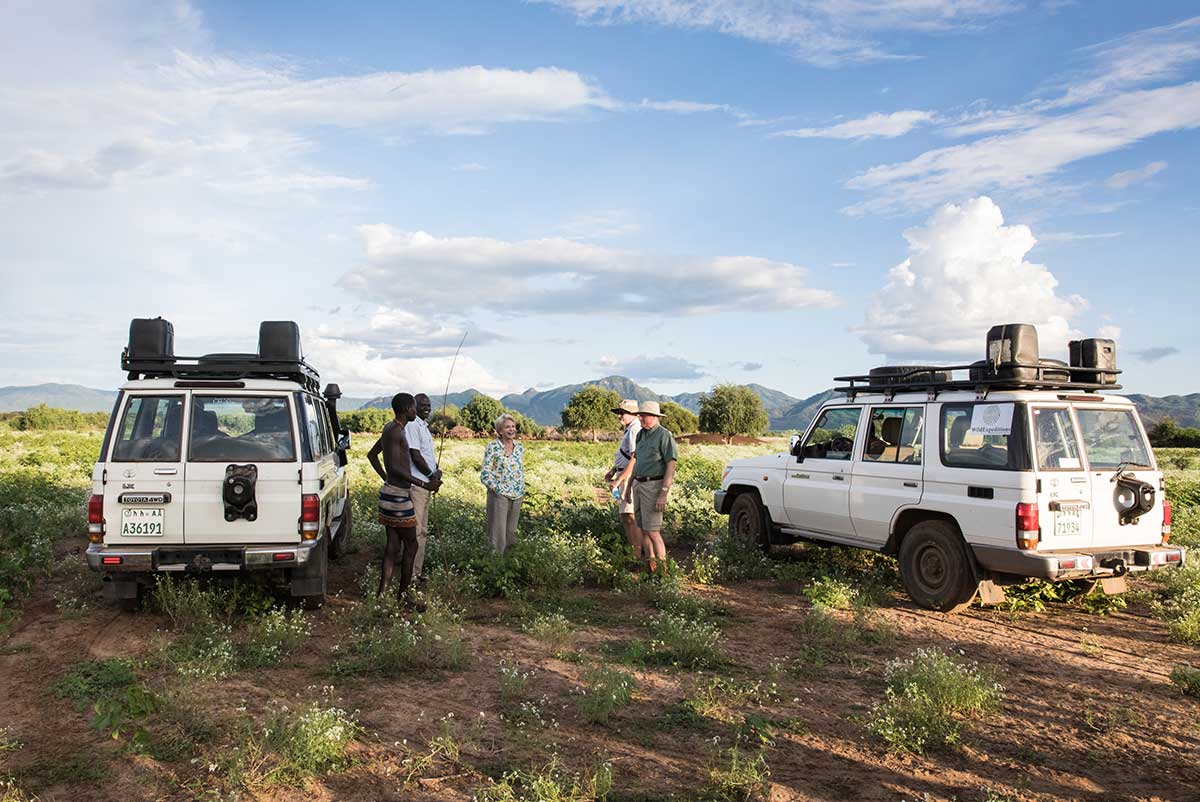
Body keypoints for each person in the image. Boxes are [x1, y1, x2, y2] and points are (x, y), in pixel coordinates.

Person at [367, 393, 442, 605]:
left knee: (392, 546)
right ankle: (404, 596)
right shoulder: (398, 432)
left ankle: (382, 597)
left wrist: (386, 479)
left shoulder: (390, 429)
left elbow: (372, 455)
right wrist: (424, 484)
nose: (415, 411)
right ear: (408, 408)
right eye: (413, 407)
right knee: (411, 545)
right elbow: (397, 468)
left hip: (389, 492)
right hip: (399, 497)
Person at [630, 400, 677, 576]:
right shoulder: (640, 435)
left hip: (654, 485)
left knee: (653, 530)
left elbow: (671, 464)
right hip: (639, 483)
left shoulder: (664, 435)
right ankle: (651, 567)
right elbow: (636, 462)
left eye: (645, 416)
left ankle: (664, 571)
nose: (641, 419)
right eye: (640, 415)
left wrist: (663, 493)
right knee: (643, 528)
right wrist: (628, 487)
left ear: (655, 417)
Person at [405, 392, 442, 579]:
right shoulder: (412, 425)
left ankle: (416, 572)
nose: (427, 408)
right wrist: (429, 474)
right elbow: (415, 454)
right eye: (422, 405)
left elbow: (426, 456)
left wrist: (436, 471)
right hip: (418, 485)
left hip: (427, 484)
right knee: (416, 531)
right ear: (414, 406)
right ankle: (409, 574)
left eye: (429, 405)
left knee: (423, 531)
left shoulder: (424, 427)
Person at [603, 399, 642, 566]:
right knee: (625, 516)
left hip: (628, 476)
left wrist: (619, 479)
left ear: (632, 413)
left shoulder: (634, 429)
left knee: (630, 516)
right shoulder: (629, 429)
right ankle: (633, 551)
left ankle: (636, 555)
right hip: (623, 473)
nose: (620, 416)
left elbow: (634, 458)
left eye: (623, 413)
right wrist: (614, 469)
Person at [480, 412, 524, 555]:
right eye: (507, 427)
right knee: (498, 535)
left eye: (513, 426)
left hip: (517, 494)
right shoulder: (492, 447)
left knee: (511, 533)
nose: (511, 429)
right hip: (499, 496)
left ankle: (509, 565)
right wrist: (497, 489)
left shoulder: (519, 447)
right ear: (500, 430)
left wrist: (521, 487)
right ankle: (496, 567)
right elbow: (485, 473)